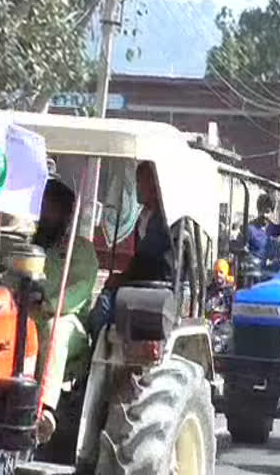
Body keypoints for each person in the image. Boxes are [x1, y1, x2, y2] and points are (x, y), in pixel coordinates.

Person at [31, 178, 99, 445]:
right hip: (30, 315)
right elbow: (11, 278)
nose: (45, 213)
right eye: (43, 207)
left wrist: (48, 304)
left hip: (70, 324)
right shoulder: (30, 248)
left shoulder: (81, 251)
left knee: (54, 328)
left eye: (52, 208)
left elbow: (80, 290)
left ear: (66, 214)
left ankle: (43, 410)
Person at [88, 161, 174, 342]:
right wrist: (121, 277)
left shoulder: (168, 222)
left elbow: (155, 261)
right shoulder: (142, 217)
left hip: (156, 290)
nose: (137, 188)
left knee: (103, 309)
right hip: (136, 284)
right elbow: (139, 259)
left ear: (154, 184)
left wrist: (124, 280)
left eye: (140, 182)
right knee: (99, 308)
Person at [244, 193, 280, 265]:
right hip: (255, 272)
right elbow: (244, 253)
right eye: (261, 211)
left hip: (273, 273)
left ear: (272, 212)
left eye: (267, 211)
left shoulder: (278, 232)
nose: (264, 215)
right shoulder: (249, 230)